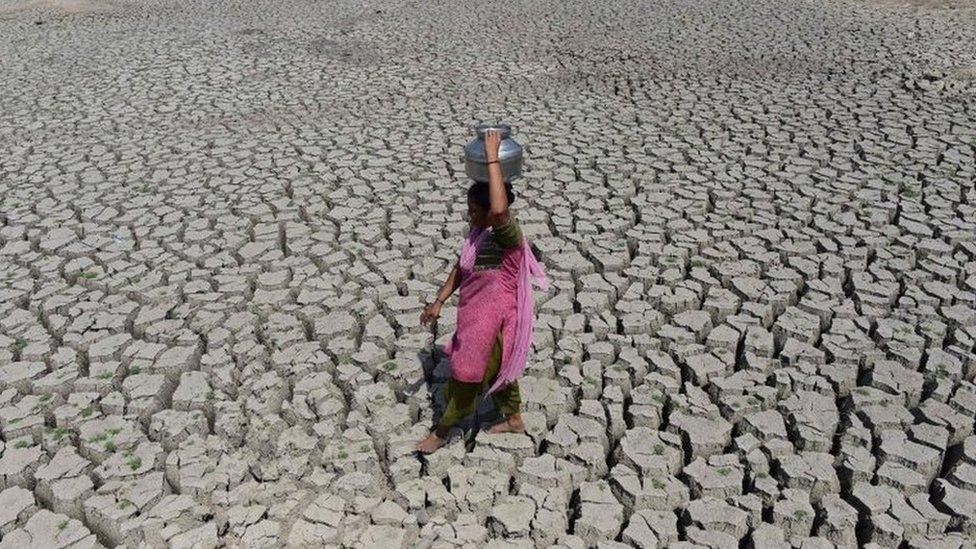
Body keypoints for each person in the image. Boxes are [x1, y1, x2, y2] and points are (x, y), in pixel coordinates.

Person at [416, 128, 548, 455]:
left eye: (476, 210)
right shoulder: (476, 235)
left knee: (466, 375)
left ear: (491, 211)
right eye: (469, 209)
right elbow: (461, 268)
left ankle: (443, 430)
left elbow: (501, 211)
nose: (470, 215)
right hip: (475, 319)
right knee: (500, 371)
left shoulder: (508, 238)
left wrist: (492, 158)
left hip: (495, 324)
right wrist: (438, 301)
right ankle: (514, 419)